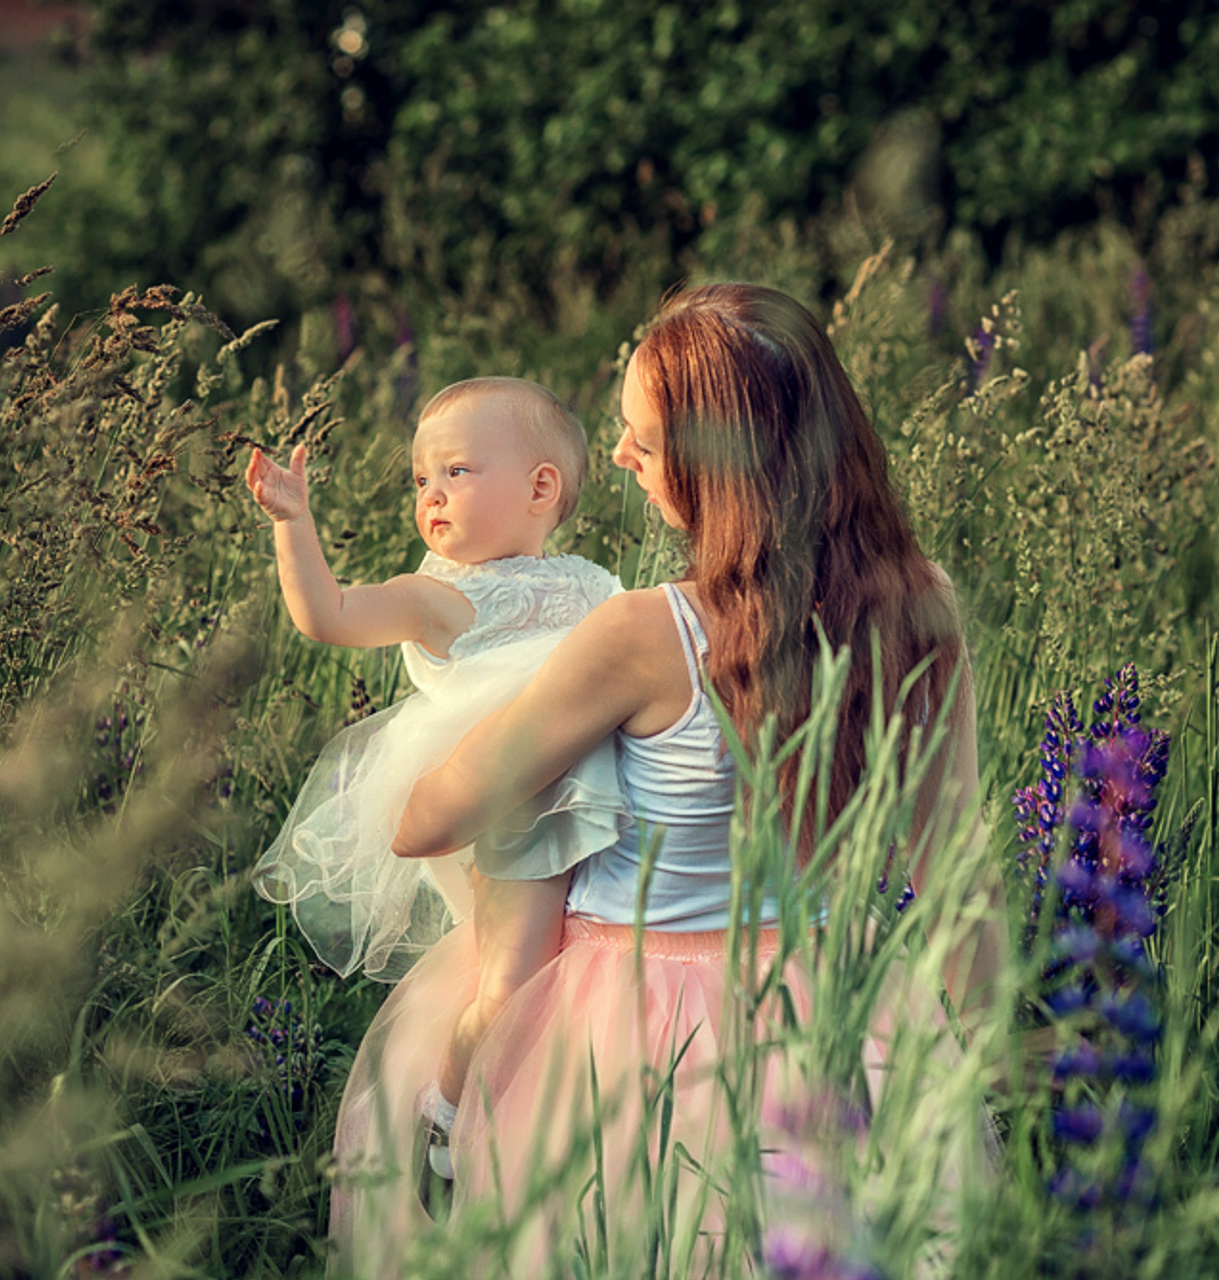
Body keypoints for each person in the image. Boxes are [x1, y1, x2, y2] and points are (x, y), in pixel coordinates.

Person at [333, 285, 1003, 1276]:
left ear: (716, 460)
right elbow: (953, 867)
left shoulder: (646, 632)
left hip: (628, 1032)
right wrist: (978, 1075)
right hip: (836, 1008)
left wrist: (478, 705)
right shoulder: (921, 602)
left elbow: (428, 819)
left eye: (641, 442)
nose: (617, 460)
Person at [246, 376, 625, 1218]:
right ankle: (448, 1119)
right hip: (514, 816)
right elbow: (331, 615)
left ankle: (569, 1139)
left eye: (454, 471)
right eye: (421, 481)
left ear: (541, 489)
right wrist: (292, 524)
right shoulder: (439, 597)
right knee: (514, 980)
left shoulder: (596, 585)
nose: (431, 496)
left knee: (602, 973)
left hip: (604, 803)